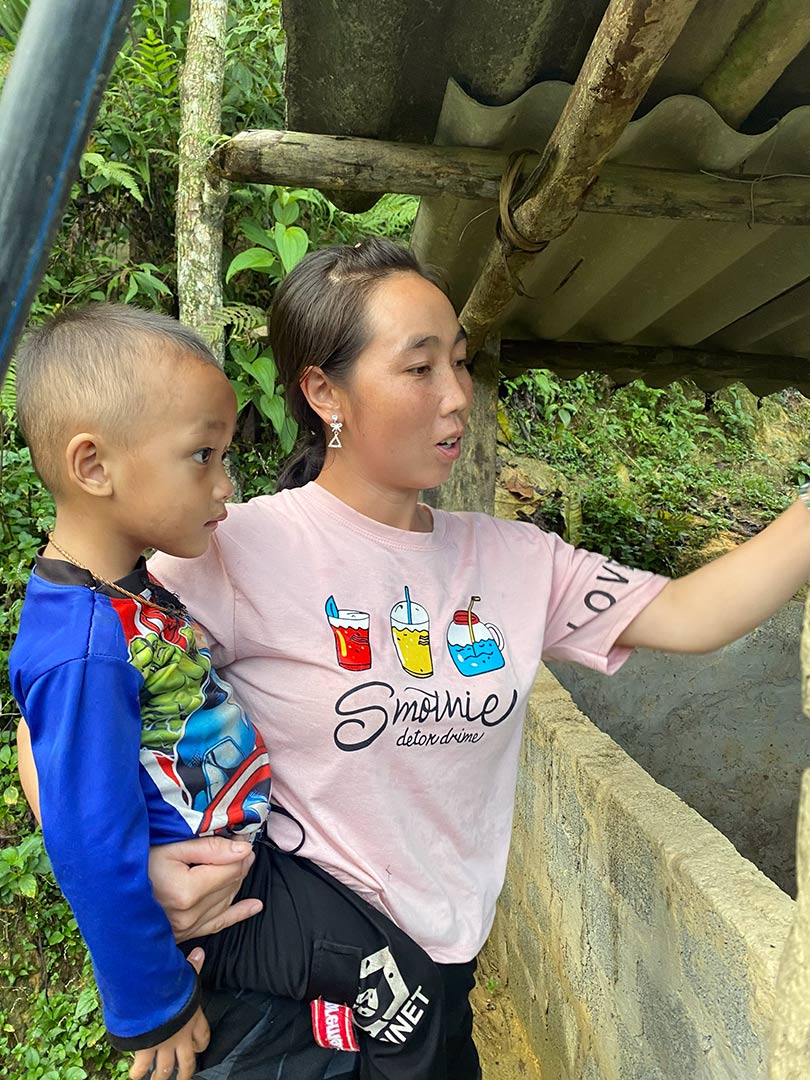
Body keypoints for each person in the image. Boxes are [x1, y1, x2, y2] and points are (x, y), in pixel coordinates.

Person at [17, 237, 810, 1079]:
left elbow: (692, 614)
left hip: (446, 967)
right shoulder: (236, 547)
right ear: (325, 392)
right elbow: (57, 726)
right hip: (295, 989)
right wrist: (139, 878)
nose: (457, 395)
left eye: (459, 364)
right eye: (420, 368)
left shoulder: (518, 560)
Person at [8, 303, 447, 1080]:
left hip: (251, 861)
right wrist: (154, 1007)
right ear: (94, 467)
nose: (225, 484)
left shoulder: (120, 592)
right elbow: (88, 844)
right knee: (408, 1000)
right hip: (225, 898)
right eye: (202, 456)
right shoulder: (85, 646)